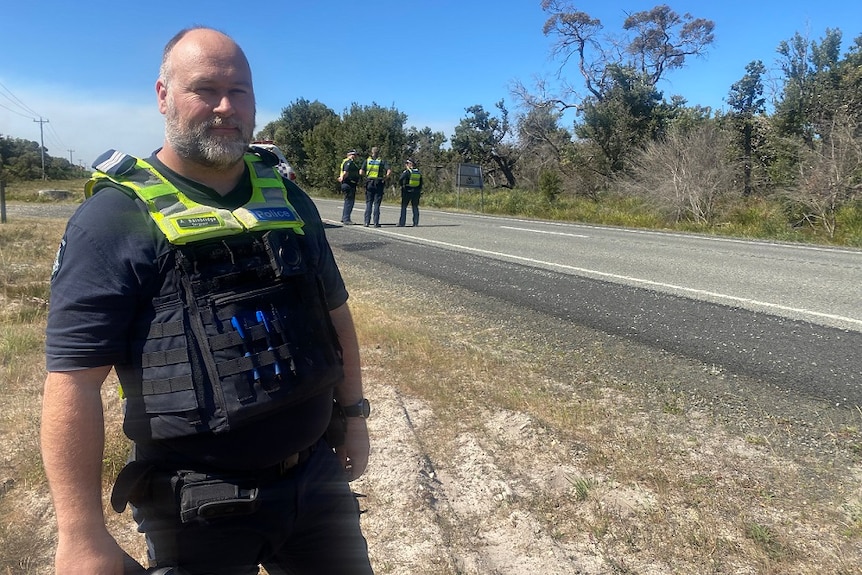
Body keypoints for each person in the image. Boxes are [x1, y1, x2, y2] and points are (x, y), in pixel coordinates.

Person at [40, 27, 373, 575]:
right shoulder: (113, 219)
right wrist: (79, 536)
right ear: (163, 95)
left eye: (239, 90)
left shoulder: (287, 198)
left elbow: (336, 316)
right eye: (205, 89)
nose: (225, 106)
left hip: (317, 484)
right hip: (194, 503)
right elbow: (72, 380)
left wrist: (355, 418)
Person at [359, 147, 390, 227]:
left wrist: (366, 177)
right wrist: (385, 178)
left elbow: (361, 172)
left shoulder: (367, 161)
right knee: (377, 204)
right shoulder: (381, 161)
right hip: (379, 182)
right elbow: (389, 171)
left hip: (369, 182)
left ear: (371, 152)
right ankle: (376, 223)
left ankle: (366, 222)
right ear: (378, 153)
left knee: (369, 203)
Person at [337, 149, 361, 224]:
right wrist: (342, 177)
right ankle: (346, 219)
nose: (355, 156)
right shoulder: (349, 162)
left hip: (347, 183)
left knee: (347, 201)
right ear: (350, 155)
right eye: (354, 155)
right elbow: (346, 171)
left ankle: (344, 217)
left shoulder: (345, 161)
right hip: (349, 183)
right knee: (349, 202)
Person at [397, 159, 423, 227]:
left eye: (407, 163)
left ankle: (402, 223)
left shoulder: (407, 172)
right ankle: (415, 222)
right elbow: (421, 183)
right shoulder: (418, 172)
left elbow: (400, 179)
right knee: (415, 207)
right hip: (416, 192)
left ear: (410, 164)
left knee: (404, 207)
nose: (406, 165)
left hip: (407, 191)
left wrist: (402, 186)